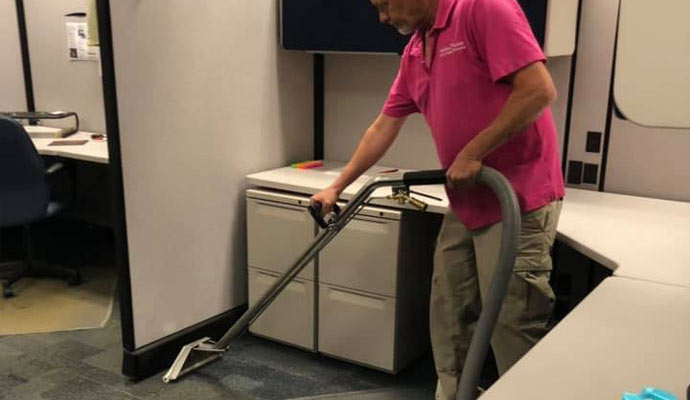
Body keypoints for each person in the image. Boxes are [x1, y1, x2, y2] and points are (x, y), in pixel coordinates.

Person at [310, 0, 565, 398]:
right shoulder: (416, 49)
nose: (383, 18)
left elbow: (538, 90)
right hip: (466, 201)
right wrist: (336, 186)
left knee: (512, 321)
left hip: (517, 198)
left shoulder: (484, 9)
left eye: (384, 4)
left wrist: (472, 152)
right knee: (448, 311)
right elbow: (382, 126)